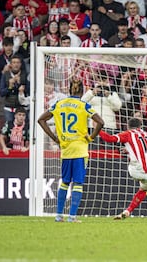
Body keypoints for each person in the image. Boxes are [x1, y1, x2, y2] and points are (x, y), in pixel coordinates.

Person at [37, 79, 104, 223]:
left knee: (65, 182)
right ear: (82, 91)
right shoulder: (84, 105)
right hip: (80, 149)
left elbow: (41, 119)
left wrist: (55, 139)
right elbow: (101, 122)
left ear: (69, 90)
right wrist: (91, 137)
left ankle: (59, 215)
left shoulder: (58, 104)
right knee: (78, 183)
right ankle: (72, 217)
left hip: (65, 149)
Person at [99, 117, 147, 219]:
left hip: (136, 172)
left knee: (132, 163)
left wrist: (98, 130)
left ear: (128, 126)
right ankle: (128, 211)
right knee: (142, 190)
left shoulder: (128, 134)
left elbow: (110, 138)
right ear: (140, 126)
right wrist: (128, 149)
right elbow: (143, 148)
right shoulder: (146, 134)